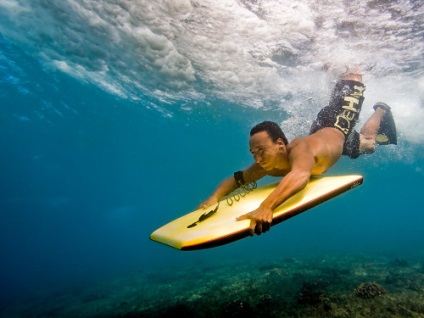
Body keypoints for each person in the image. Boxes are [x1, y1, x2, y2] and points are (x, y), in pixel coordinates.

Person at [199, 71, 397, 236]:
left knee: (352, 76)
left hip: (337, 124)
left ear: (279, 144)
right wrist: (214, 197)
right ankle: (374, 103)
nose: (257, 159)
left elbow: (300, 175)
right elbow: (238, 179)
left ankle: (379, 108)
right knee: (369, 146)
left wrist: (267, 206)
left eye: (261, 151)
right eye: (253, 153)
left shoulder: (300, 150)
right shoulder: (266, 165)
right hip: (326, 135)